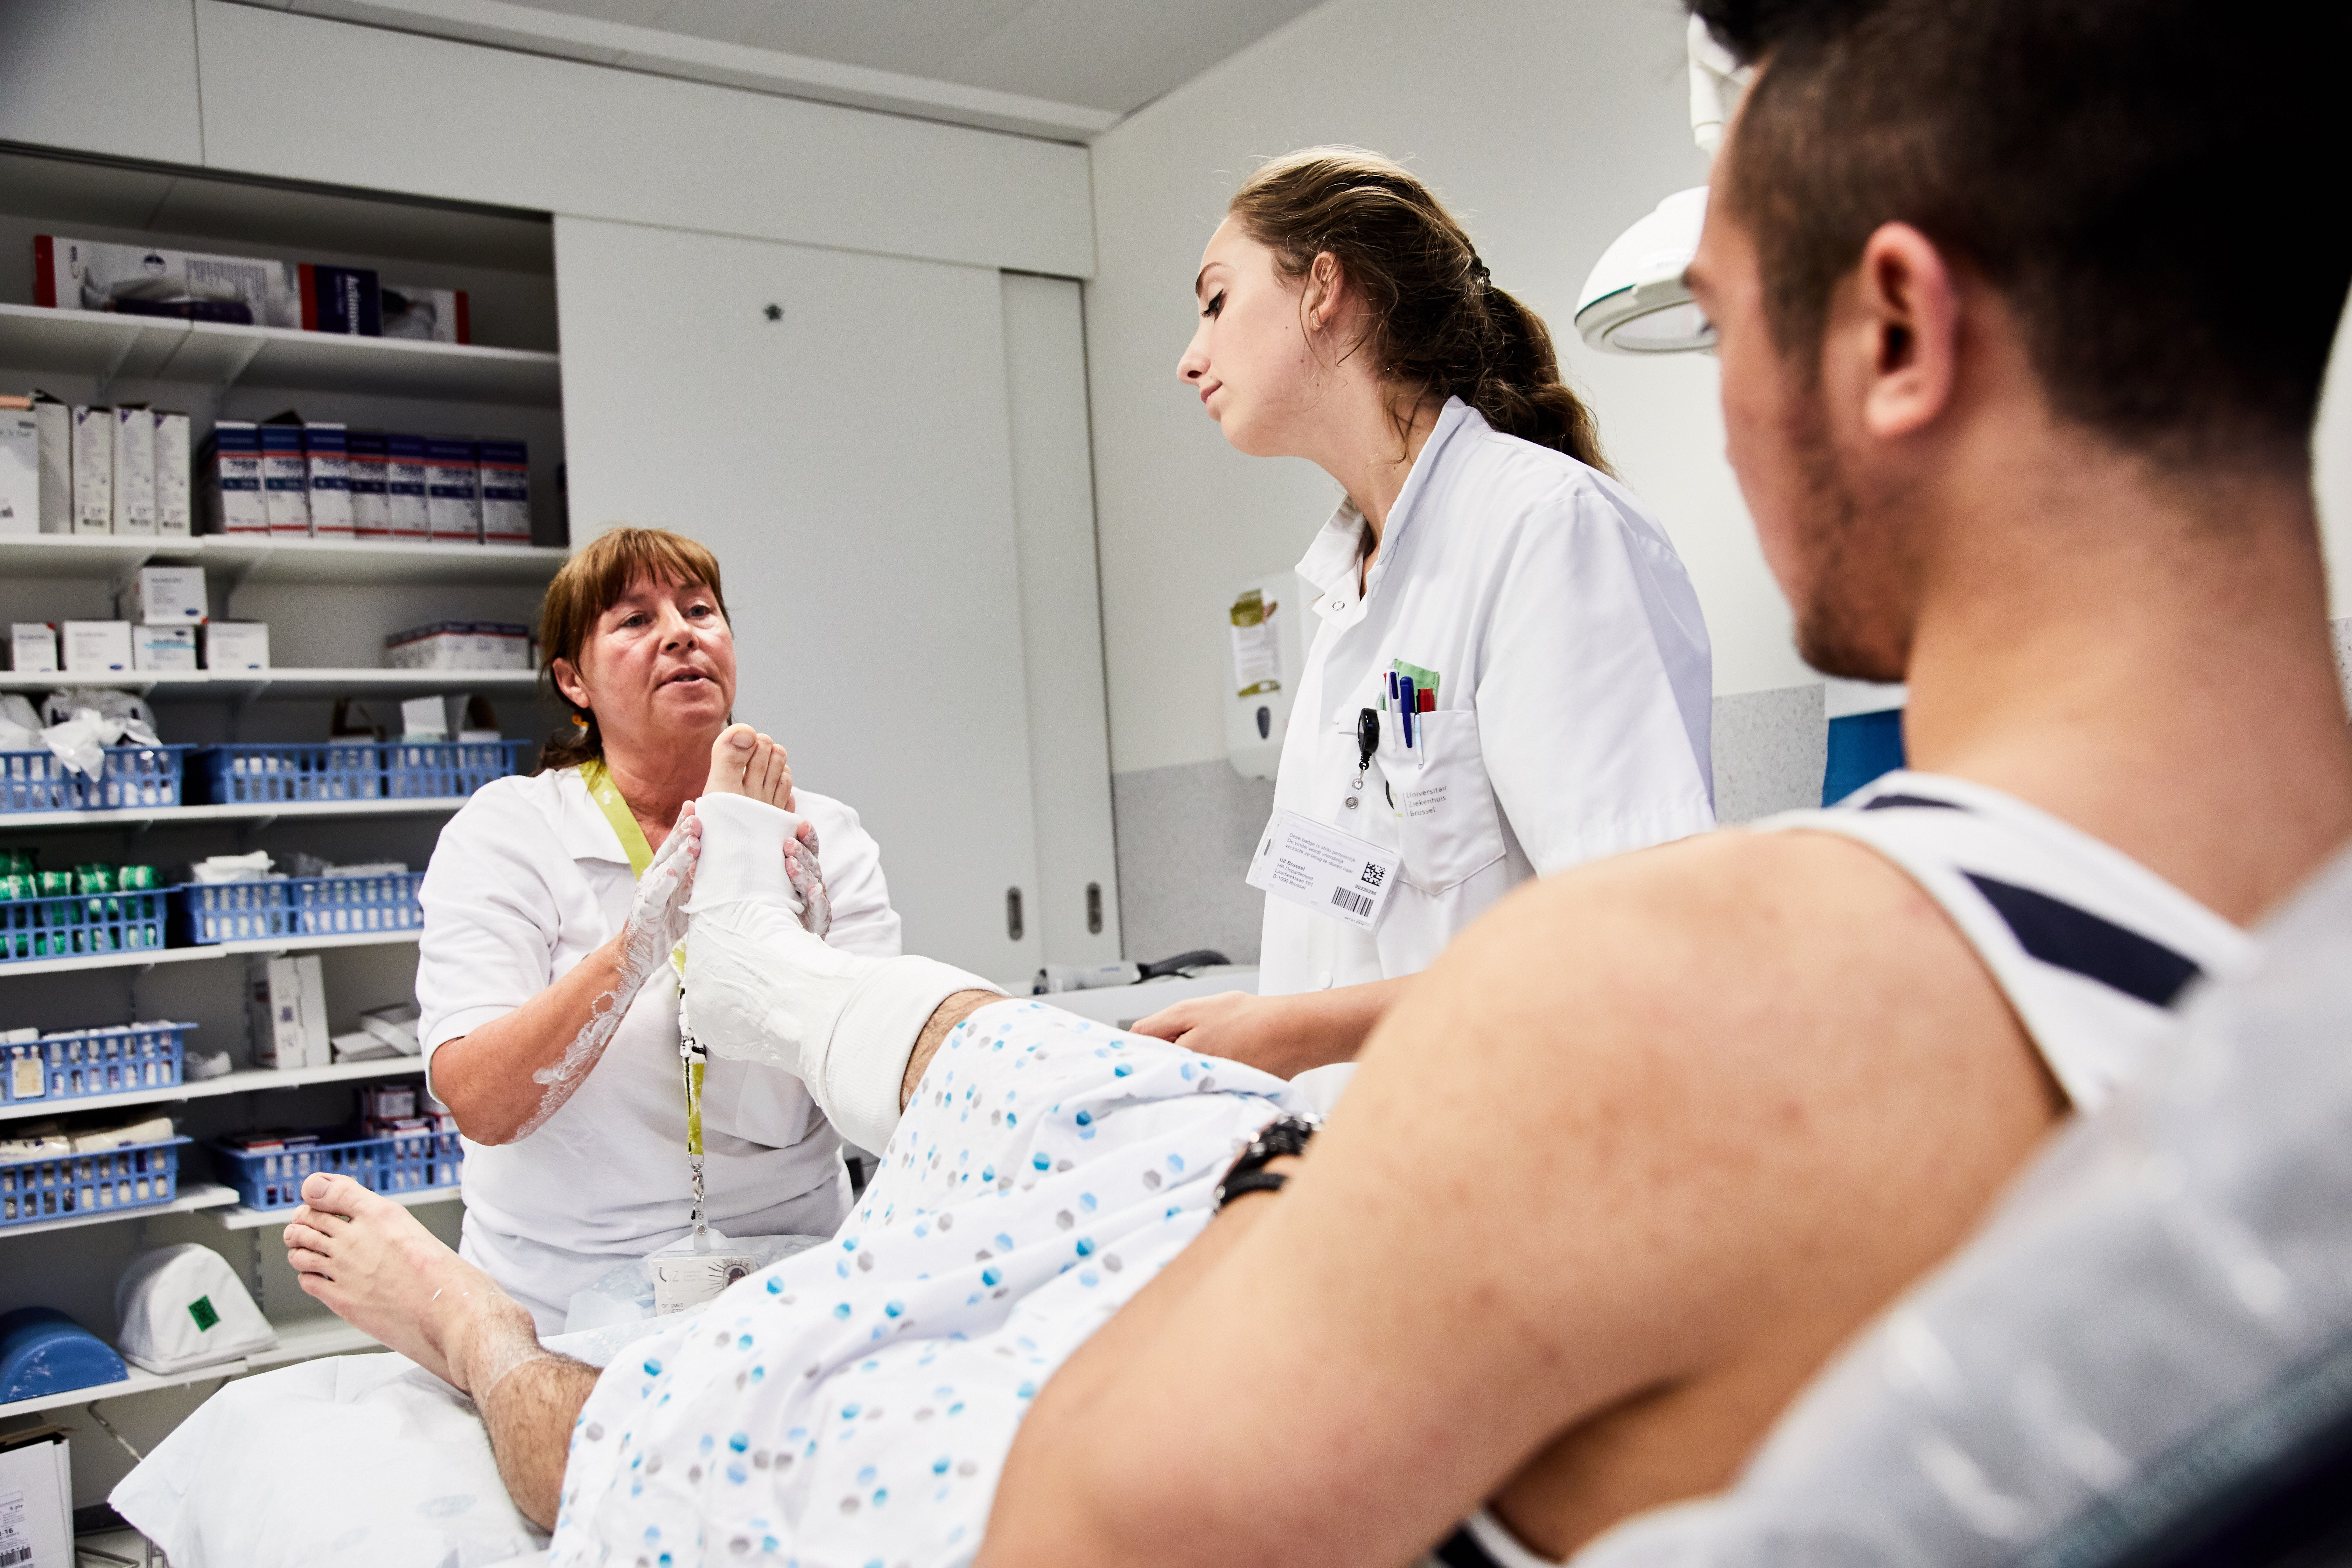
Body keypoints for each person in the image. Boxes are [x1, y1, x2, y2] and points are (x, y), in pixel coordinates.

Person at [121, 0, 2350, 1559]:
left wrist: (1282, 1168)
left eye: (1732, 307)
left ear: (1894, 332)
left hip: (1186, 1291)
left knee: (665, 1398)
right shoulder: (2260, 1015)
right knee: (1058, 1077)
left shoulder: (1680, 994)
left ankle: (471, 1307)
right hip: (1332, 1180)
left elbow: (1073, 1518)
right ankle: (801, 993)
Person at [1134, 149, 1715, 1076]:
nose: (1189, 359)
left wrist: (1295, 1032)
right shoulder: (1350, 594)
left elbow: (1634, 941)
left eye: (1215, 302)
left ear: (1324, 289)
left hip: (1511, 1139)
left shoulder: (1544, 529)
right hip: (1354, 1138)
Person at [416, 525, 902, 1330]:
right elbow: (481, 1104)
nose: (681, 633)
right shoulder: (509, 832)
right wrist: (633, 950)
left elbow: (880, 1097)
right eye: (636, 619)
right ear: (573, 681)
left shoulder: (819, 836)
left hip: (792, 1281)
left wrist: (803, 964)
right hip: (562, 1298)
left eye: (700, 610)